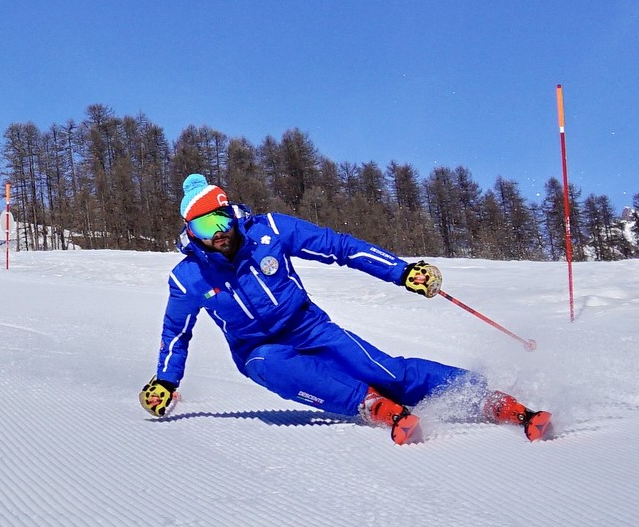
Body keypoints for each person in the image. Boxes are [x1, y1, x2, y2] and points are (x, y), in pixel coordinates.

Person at [139, 174, 552, 444]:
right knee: (271, 364)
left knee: (386, 371)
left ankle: (490, 398)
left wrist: (401, 272)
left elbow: (339, 247)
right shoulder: (187, 278)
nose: (222, 233)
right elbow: (176, 334)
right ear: (190, 233)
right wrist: (166, 382)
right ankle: (371, 406)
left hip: (308, 326)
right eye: (207, 228)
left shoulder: (270, 231)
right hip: (258, 348)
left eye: (224, 219)